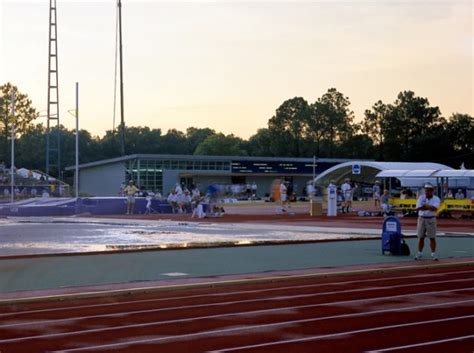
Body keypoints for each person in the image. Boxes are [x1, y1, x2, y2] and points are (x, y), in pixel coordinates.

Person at [414, 183, 441, 261]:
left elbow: (435, 209)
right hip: (421, 218)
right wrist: (429, 207)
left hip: (431, 219)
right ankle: (419, 253)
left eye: (428, 191)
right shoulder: (421, 197)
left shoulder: (436, 199)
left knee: (432, 237)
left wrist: (425, 206)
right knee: (420, 237)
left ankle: (433, 254)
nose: (426, 193)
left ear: (432, 191)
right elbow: (418, 208)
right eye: (425, 191)